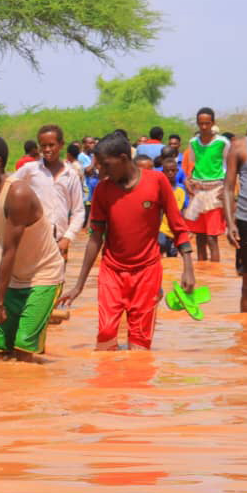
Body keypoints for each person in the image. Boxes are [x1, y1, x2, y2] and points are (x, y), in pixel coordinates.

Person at [59, 133, 194, 350]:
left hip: (147, 272)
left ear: (123, 159)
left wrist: (188, 268)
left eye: (105, 165)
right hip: (112, 271)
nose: (101, 171)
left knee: (139, 346)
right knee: (105, 337)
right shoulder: (103, 190)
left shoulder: (157, 182)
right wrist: (79, 284)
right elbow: (95, 238)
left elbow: (179, 227)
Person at [0, 133, 64, 363]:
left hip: (44, 276)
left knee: (23, 351)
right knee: (2, 351)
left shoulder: (18, 193)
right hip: (14, 278)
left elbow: (9, 250)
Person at [11, 124, 86, 259]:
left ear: (61, 144)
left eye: (51, 145)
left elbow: (78, 211)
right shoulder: (30, 170)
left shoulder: (71, 175)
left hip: (59, 241)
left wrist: (67, 238)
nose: (47, 150)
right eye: (43, 146)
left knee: (57, 279)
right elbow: (9, 186)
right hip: (34, 241)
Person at [185, 107, 230, 262]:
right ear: (197, 123)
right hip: (198, 190)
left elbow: (229, 166)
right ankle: (203, 274)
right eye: (200, 123)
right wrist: (188, 181)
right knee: (199, 237)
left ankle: (215, 273)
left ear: (213, 123)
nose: (204, 127)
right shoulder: (193, 143)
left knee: (212, 237)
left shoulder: (222, 143)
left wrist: (227, 188)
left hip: (215, 190)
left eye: (207, 123)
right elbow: (191, 165)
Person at [222, 129, 247, 311]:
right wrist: (230, 223)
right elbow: (228, 188)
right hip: (246, 219)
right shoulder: (239, 147)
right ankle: (245, 337)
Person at [159, 157, 186, 257]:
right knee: (159, 251)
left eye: (173, 170)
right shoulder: (159, 188)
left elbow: (183, 210)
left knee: (173, 258)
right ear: (163, 172)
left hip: (174, 230)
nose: (170, 173)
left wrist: (184, 229)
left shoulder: (181, 190)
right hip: (161, 229)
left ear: (177, 171)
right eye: (167, 171)